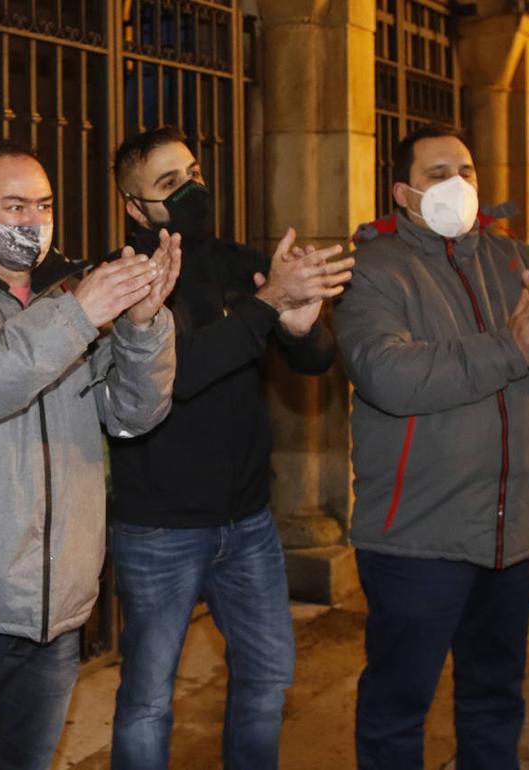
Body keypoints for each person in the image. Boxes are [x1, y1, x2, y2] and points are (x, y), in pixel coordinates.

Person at [0, 143, 179, 770]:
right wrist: (79, 314)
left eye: (42, 206)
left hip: (57, 611)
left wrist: (142, 327)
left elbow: (132, 416)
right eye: (13, 205)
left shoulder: (66, 298)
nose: (31, 222)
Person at [335, 124, 529, 770]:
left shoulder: (522, 262)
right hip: (417, 540)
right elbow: (390, 375)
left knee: (494, 701)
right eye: (437, 173)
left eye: (466, 169)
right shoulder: (372, 271)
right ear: (402, 193)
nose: (457, 183)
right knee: (398, 711)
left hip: (514, 538)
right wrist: (513, 346)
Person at [104, 125, 355, 770]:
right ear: (135, 208)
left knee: (268, 680)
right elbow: (178, 375)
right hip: (159, 528)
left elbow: (316, 360)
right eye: (168, 184)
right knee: (148, 700)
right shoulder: (125, 281)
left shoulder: (241, 263)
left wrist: (302, 324)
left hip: (248, 522)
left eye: (192, 172)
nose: (191, 188)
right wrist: (269, 303)